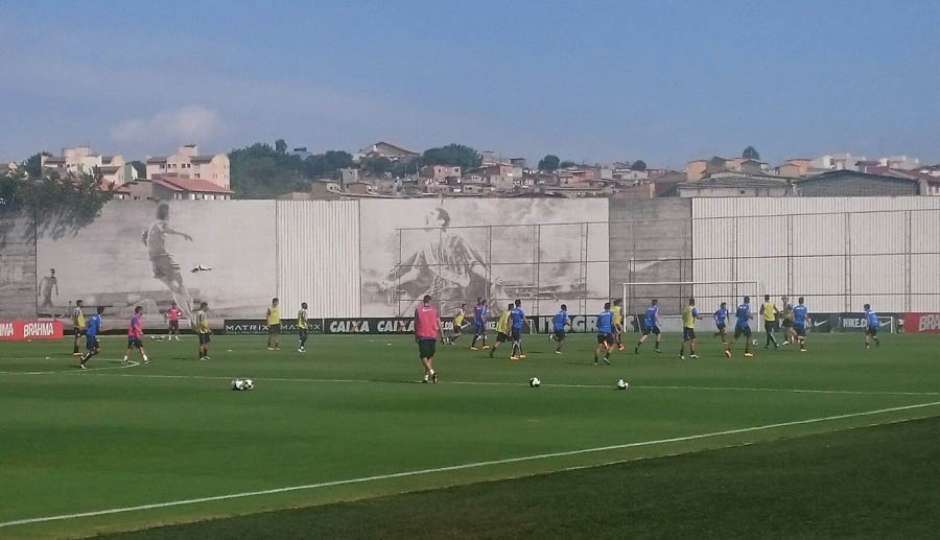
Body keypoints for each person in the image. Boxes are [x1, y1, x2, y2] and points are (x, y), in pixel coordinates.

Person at [142, 203, 194, 320]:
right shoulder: (162, 223)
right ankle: (189, 302)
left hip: (153, 260)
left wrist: (150, 247)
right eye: (169, 212)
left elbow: (144, 236)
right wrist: (183, 234)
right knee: (180, 282)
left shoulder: (152, 225)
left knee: (173, 288)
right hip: (162, 257)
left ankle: (188, 314)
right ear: (166, 213)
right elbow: (165, 229)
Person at [414, 294, 441, 383]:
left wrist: (415, 335)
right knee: (429, 356)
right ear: (430, 301)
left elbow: (415, 323)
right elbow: (439, 322)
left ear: (423, 301)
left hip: (422, 335)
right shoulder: (434, 310)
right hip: (433, 335)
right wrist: (442, 335)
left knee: (423, 356)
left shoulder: (418, 310)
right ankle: (426, 377)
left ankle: (432, 373)